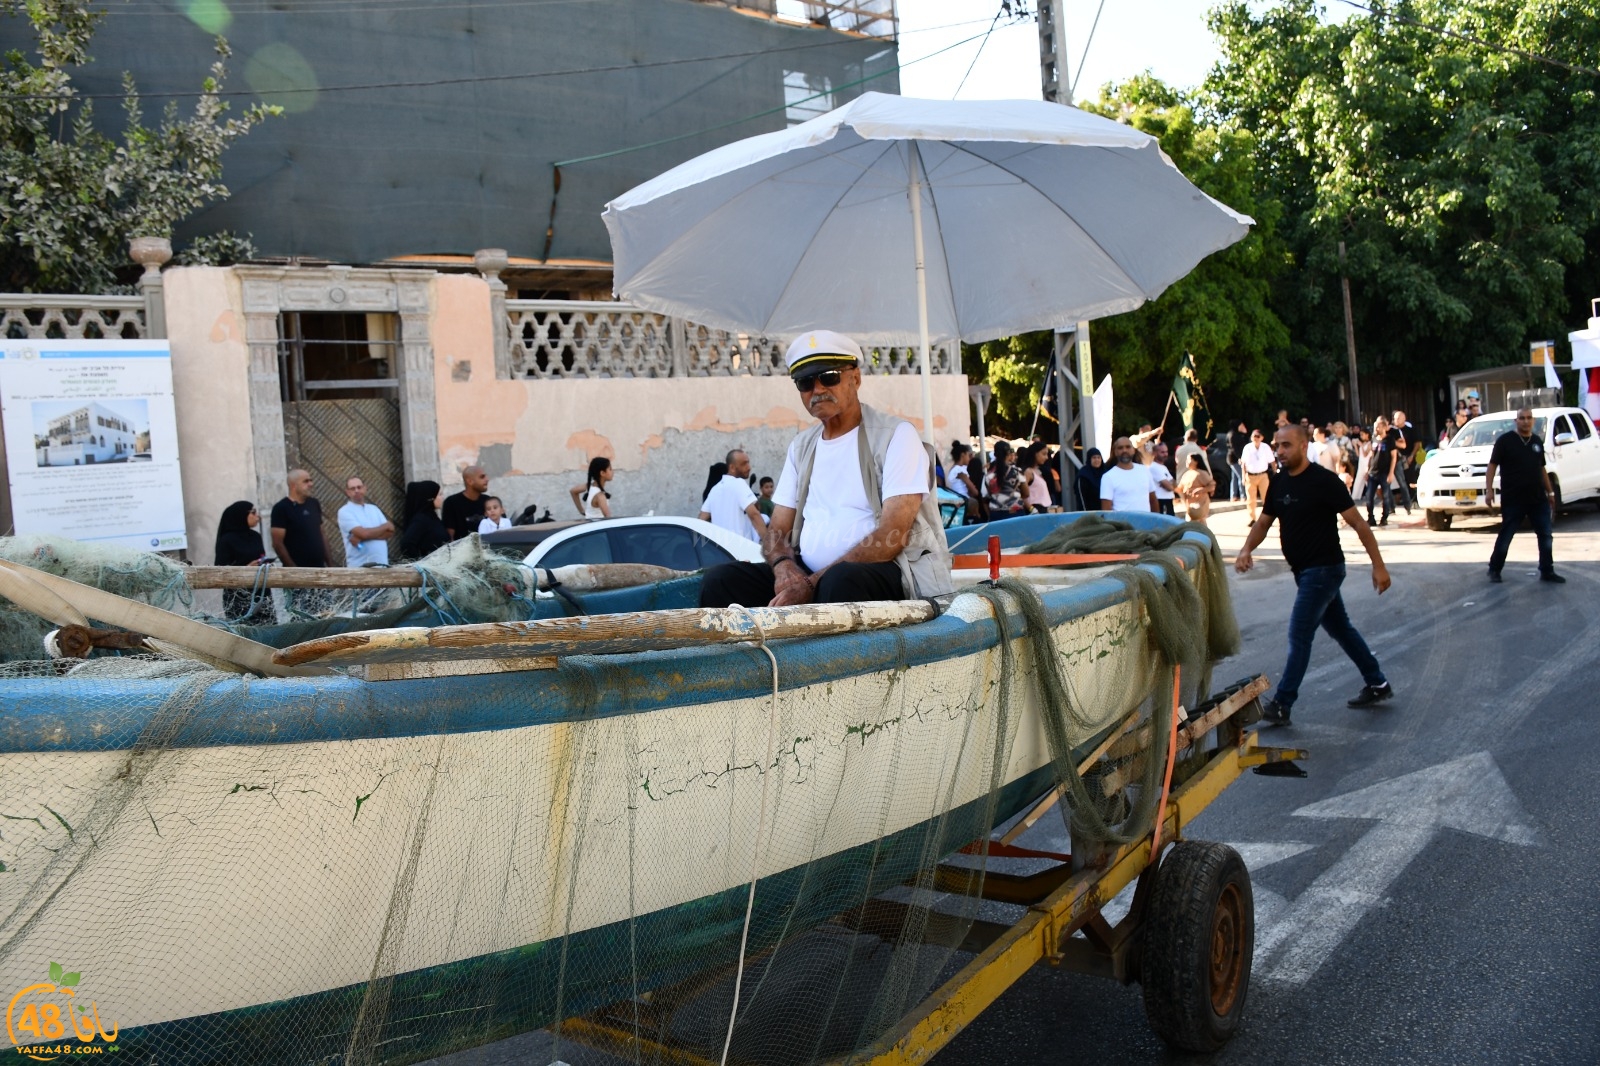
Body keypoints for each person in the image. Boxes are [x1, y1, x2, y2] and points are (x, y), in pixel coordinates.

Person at [698, 330, 953, 608]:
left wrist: (812, 582)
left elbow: (891, 537)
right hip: (812, 576)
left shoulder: (896, 436)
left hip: (884, 574)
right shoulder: (801, 447)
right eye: (805, 382)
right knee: (721, 581)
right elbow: (777, 532)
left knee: (842, 581)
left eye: (829, 376)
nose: (817, 390)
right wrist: (784, 566)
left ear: (855, 378)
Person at [1235, 425, 1393, 726]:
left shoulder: (1324, 481)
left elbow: (1359, 524)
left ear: (1304, 445)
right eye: (1277, 445)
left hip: (1325, 570)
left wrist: (1378, 565)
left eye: (1286, 446)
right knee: (1341, 629)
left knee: (1299, 633)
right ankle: (1378, 683)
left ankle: (1282, 703)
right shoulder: (1278, 483)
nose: (1280, 451)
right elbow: (1263, 523)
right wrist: (1246, 549)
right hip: (1305, 571)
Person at [1485, 407, 1564, 583]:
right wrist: (1489, 491)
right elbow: (1492, 466)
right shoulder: (1505, 441)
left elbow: (1541, 468)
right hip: (1514, 498)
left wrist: (1550, 491)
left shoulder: (1536, 441)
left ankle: (1547, 570)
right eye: (1522, 418)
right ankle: (1495, 568)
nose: (1526, 421)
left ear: (1533, 421)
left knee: (1545, 534)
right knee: (1507, 534)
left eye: (1529, 418)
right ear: (1516, 421)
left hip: (1537, 498)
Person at [213, 500, 273, 623]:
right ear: (241, 515)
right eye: (253, 512)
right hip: (239, 597)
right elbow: (220, 569)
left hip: (261, 593)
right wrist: (245, 568)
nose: (258, 516)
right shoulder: (227, 540)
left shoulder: (255, 536)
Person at [699, 448, 765, 543]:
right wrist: (770, 544)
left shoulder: (715, 489)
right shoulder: (739, 483)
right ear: (732, 467)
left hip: (721, 552)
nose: (749, 467)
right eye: (744, 464)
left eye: (748, 463)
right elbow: (755, 515)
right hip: (741, 551)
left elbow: (702, 519)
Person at [270, 468, 328, 568]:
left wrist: (330, 565)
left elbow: (321, 534)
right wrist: (293, 568)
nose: (311, 484)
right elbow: (277, 543)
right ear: (293, 485)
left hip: (319, 569)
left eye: (311, 480)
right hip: (297, 572)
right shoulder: (281, 508)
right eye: (306, 481)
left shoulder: (313, 504)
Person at [337, 475, 393, 568]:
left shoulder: (374, 509)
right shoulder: (344, 511)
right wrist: (385, 527)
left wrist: (364, 537)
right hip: (360, 568)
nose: (356, 490)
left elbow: (390, 532)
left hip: (382, 566)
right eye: (352, 488)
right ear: (347, 492)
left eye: (359, 487)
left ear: (365, 488)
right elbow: (364, 533)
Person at [1099, 436, 1156, 512]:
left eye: (1128, 447)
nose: (1124, 450)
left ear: (1133, 450)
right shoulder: (1108, 477)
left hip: (1145, 523)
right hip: (1121, 523)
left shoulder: (1144, 471)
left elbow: (1153, 500)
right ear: (1115, 452)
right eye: (1120, 448)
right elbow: (1106, 511)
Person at [400, 481, 448, 560]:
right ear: (430, 497)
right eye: (439, 494)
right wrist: (421, 563)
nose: (442, 497)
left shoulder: (431, 517)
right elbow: (407, 544)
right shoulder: (421, 520)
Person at [441, 465, 490, 541]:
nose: (487, 479)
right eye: (482, 477)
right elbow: (449, 536)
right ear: (470, 481)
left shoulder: (488, 501)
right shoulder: (452, 503)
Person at [1365, 417, 1397, 526]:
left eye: (1378, 427)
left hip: (1384, 472)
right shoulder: (1374, 438)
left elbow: (1394, 456)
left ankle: (1384, 517)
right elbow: (1371, 455)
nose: (1376, 429)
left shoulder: (1389, 440)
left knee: (1386, 496)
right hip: (1373, 472)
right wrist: (1367, 469)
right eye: (1375, 427)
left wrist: (1391, 472)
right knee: (1369, 497)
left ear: (1384, 427)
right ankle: (1371, 518)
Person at [1241, 429, 1274, 522]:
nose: (1255, 438)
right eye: (1254, 436)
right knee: (1251, 499)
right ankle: (1252, 518)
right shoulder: (1247, 447)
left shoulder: (1265, 447)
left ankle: (1267, 518)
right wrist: (1243, 477)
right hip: (1250, 476)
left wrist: (1275, 473)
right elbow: (1243, 463)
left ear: (1262, 438)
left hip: (1263, 475)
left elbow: (1272, 461)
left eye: (1257, 436)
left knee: (1266, 497)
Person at [946, 442, 982, 523]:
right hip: (965, 502)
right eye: (968, 455)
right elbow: (975, 492)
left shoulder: (953, 469)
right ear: (963, 455)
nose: (969, 458)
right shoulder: (960, 471)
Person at [986, 441, 1025, 516]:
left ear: (995, 454)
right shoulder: (1017, 471)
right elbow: (1026, 493)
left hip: (996, 514)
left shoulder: (989, 475)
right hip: (1015, 513)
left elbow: (986, 497)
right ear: (1009, 453)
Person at [1176, 452, 1215, 522]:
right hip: (1189, 505)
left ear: (1196, 461)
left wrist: (1202, 490)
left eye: (1189, 460)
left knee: (1199, 524)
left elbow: (1212, 486)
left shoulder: (1201, 473)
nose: (1187, 462)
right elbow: (1180, 488)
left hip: (1200, 504)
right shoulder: (1186, 474)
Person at [1020, 443, 1054, 514]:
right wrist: (1031, 509)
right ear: (1035, 454)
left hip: (1044, 509)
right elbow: (1022, 494)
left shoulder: (1038, 470)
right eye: (1043, 454)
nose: (1046, 457)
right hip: (1035, 509)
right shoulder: (1028, 472)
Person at [1149, 441, 1177, 515]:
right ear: (1154, 453)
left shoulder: (1163, 467)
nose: (1165, 454)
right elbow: (1169, 487)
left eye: (1166, 452)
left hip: (1168, 500)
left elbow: (1174, 483)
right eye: (1162, 452)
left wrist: (1169, 484)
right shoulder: (1154, 467)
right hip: (1161, 501)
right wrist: (1169, 484)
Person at [1228, 420, 1251, 501]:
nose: (1243, 427)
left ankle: (1233, 496)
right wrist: (1240, 458)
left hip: (1238, 458)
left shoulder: (1240, 435)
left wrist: (1245, 432)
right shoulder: (1232, 435)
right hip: (1235, 459)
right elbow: (1234, 449)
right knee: (1242, 476)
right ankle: (1243, 496)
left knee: (1234, 478)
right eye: (1241, 426)